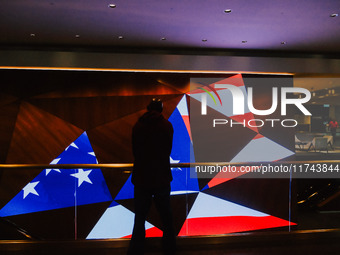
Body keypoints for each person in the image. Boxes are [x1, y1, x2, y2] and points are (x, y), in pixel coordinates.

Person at [128, 98, 176, 255]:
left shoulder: (138, 126)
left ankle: (136, 249)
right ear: (161, 109)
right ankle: (170, 248)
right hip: (161, 176)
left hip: (142, 177)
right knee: (166, 216)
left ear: (148, 108)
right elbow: (167, 150)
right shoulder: (167, 126)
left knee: (140, 217)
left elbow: (135, 151)